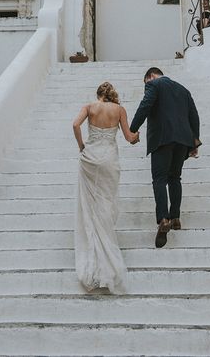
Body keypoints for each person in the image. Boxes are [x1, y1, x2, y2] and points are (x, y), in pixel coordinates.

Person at [73, 81, 139, 293]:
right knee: (106, 201)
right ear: (111, 95)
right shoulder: (119, 109)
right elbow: (129, 137)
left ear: (98, 94)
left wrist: (82, 146)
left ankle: (94, 247)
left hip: (90, 158)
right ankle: (107, 242)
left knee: (91, 203)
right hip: (109, 159)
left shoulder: (89, 107)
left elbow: (75, 125)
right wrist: (136, 137)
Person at [130, 67, 201, 248]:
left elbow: (145, 105)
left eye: (146, 82)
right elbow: (194, 117)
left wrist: (132, 128)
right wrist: (194, 142)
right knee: (175, 178)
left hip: (162, 138)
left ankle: (163, 219)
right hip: (182, 140)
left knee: (159, 179)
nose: (147, 85)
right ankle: (175, 217)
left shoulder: (154, 85)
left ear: (151, 76)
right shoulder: (183, 90)